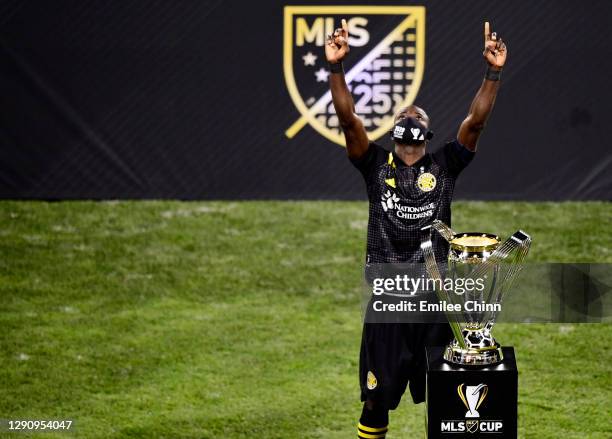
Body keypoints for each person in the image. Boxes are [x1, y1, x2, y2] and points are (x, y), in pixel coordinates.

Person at [325, 19, 507, 438]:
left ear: (426, 131)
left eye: (418, 113)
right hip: (388, 303)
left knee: (447, 395)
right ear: (395, 130)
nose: (411, 114)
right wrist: (335, 67)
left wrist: (493, 72)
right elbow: (347, 118)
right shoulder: (374, 165)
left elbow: (476, 123)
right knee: (375, 399)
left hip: (434, 300)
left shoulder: (444, 165)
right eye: (404, 112)